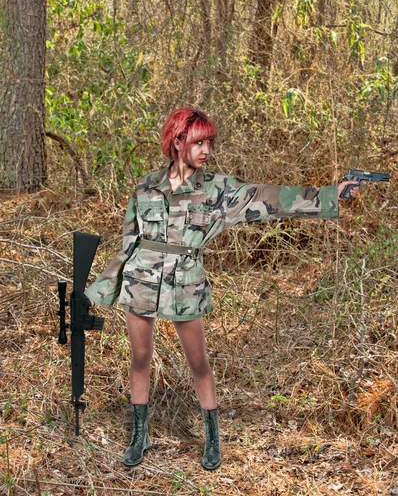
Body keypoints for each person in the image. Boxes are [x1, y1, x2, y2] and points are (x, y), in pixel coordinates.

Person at [85, 107, 359, 471]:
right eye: (199, 142)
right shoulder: (145, 187)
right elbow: (127, 244)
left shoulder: (218, 189)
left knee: (199, 363)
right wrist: (98, 291)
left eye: (210, 143)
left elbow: (271, 198)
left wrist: (329, 195)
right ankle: (140, 435)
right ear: (177, 140)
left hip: (186, 283)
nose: (207, 150)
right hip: (141, 281)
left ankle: (212, 439)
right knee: (139, 358)